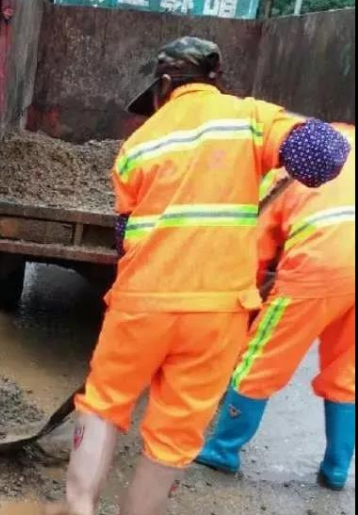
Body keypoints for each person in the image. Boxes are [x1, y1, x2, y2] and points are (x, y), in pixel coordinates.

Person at [44, 37, 351, 515]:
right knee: (174, 431)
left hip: (140, 304)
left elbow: (124, 236)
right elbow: (325, 154)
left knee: (105, 402)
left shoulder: (137, 144)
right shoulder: (251, 118)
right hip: (217, 313)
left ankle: (78, 506)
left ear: (164, 85)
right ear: (215, 80)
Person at [196, 124, 355, 491]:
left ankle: (223, 450)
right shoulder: (341, 144)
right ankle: (336, 469)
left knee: (262, 360)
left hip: (322, 264)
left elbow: (253, 251)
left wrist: (237, 306)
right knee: (347, 370)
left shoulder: (288, 168)